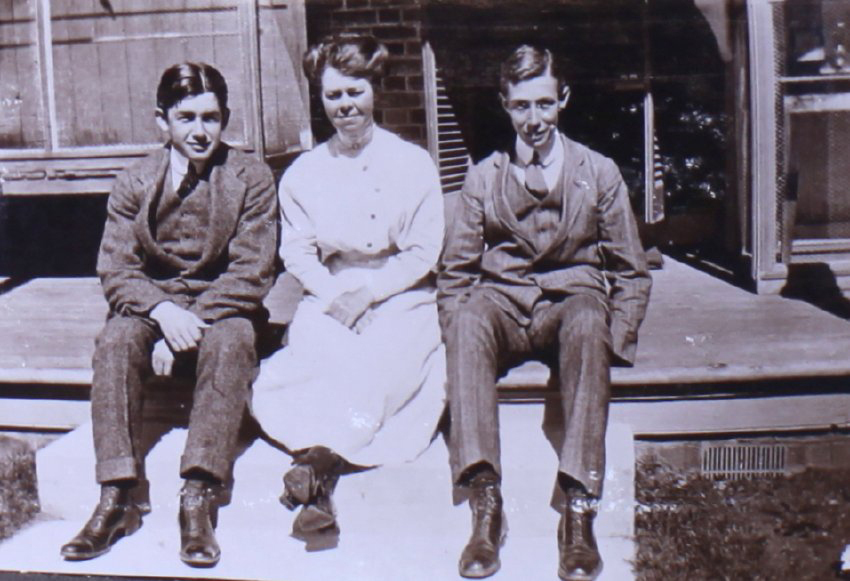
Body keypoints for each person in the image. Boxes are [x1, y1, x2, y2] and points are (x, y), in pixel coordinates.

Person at [437, 45, 652, 580]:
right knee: (466, 318)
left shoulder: (598, 173)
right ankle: (486, 507)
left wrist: (612, 343)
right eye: (520, 107)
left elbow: (630, 271)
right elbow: (455, 274)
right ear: (505, 106)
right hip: (504, 305)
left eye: (544, 104)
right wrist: (460, 336)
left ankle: (577, 514)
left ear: (563, 101)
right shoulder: (483, 177)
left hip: (568, 304)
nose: (533, 121)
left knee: (587, 318)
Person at [60, 62, 278, 568]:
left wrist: (188, 322)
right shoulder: (135, 180)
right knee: (115, 339)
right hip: (154, 303)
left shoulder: (252, 177)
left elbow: (253, 272)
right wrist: (161, 312)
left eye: (212, 117)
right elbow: (115, 269)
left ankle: (198, 494)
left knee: (232, 340)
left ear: (226, 118)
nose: (200, 131)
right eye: (186, 118)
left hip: (224, 304)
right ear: (163, 121)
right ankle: (116, 495)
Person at [251, 33, 446, 548]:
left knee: (380, 364)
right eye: (333, 96)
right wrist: (334, 295)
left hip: (400, 292)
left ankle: (315, 470)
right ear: (321, 100)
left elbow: (425, 253)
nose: (345, 106)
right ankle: (322, 473)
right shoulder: (303, 173)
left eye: (354, 92)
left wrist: (372, 293)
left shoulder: (412, 163)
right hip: (331, 289)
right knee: (319, 357)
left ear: (374, 90)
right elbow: (296, 252)